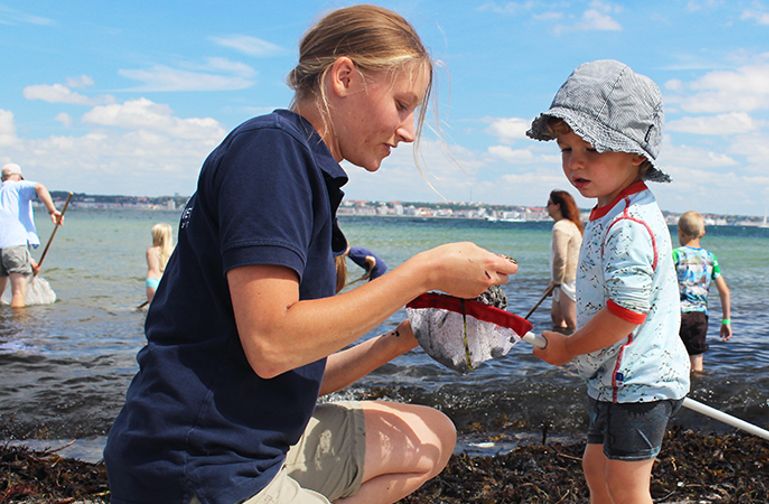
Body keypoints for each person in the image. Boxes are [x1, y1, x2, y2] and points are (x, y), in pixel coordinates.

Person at [103, 5, 518, 504]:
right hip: (201, 463)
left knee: (432, 435)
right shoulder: (270, 151)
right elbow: (272, 343)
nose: (409, 132)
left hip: (257, 438)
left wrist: (405, 336)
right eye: (403, 104)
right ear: (344, 77)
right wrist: (423, 270)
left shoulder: (302, 165)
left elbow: (295, 369)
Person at [526, 60, 690, 504]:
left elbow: (627, 310)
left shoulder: (629, 224)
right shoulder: (609, 209)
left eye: (591, 150)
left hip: (641, 380)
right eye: (565, 149)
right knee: (596, 467)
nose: (575, 163)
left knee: (627, 485)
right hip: (615, 377)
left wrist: (568, 346)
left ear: (636, 154)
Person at [673, 211, 732, 373]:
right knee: (696, 362)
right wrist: (726, 321)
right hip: (699, 316)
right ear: (702, 233)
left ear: (680, 231)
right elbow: (724, 291)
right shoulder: (710, 258)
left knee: (671, 358)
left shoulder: (676, 255)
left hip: (676, 315)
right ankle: (698, 392)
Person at [0, 163, 63, 308]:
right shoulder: (18, 186)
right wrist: (52, 211)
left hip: (3, 247)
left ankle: (3, 326)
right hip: (15, 246)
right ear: (20, 177)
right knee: (18, 293)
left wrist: (30, 261)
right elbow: (39, 187)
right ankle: (18, 329)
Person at [544, 189, 583, 333]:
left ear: (558, 206)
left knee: (571, 320)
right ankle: (560, 349)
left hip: (568, 280)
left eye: (549, 203)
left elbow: (560, 257)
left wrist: (557, 280)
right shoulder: (571, 225)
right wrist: (555, 282)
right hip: (564, 280)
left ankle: (577, 352)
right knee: (557, 318)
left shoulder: (560, 227)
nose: (547, 207)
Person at [144, 223, 174, 303]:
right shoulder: (172, 251)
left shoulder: (150, 251)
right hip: (167, 281)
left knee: (153, 310)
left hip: (152, 281)